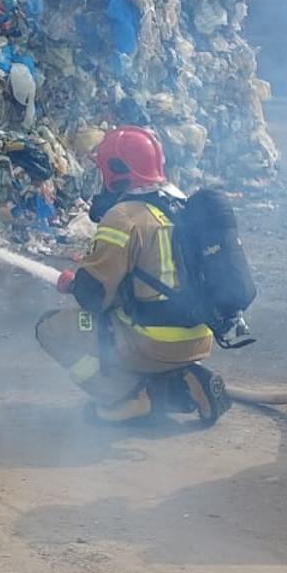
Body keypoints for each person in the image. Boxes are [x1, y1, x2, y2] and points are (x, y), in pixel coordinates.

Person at [36, 126, 231, 425]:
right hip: (199, 337)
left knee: (50, 328)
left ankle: (125, 397)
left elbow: (95, 297)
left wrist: (74, 284)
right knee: (131, 321)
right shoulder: (180, 203)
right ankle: (184, 381)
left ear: (116, 169)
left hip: (150, 342)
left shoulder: (123, 216)